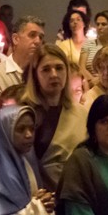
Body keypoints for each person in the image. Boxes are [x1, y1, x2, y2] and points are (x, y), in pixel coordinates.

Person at [24, 44, 88, 192]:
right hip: (37, 194)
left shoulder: (81, 113)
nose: (54, 74)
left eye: (59, 68)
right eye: (46, 69)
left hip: (78, 191)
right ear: (35, 75)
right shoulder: (24, 113)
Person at [0, 15, 45, 92]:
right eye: (32, 35)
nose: (38, 41)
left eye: (41, 37)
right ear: (16, 39)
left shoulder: (43, 74)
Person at [55, 8, 88, 73]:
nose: (75, 22)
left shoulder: (92, 43)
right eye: (71, 21)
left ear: (84, 23)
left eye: (78, 19)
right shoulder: (64, 45)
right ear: (69, 26)